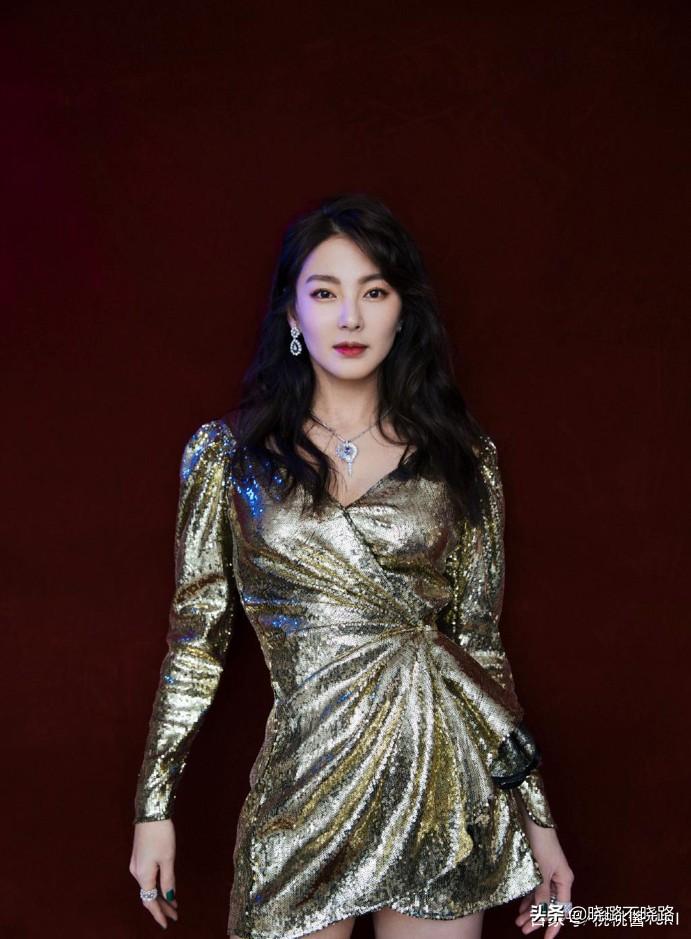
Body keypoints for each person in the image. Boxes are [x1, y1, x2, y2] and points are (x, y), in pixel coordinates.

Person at [129, 193, 574, 939]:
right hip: (304, 790)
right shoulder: (227, 455)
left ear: (402, 313)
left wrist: (538, 820)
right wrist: (153, 804)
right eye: (325, 293)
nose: (350, 318)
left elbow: (479, 649)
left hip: (441, 787)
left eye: (374, 292)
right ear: (292, 313)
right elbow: (197, 642)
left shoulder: (463, 459)